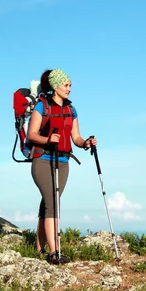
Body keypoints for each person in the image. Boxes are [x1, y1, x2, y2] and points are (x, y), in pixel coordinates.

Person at [27, 68, 96, 264]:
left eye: (70, 85)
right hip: (42, 159)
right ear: (56, 86)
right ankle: (54, 252)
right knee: (53, 204)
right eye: (66, 85)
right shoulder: (42, 106)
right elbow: (32, 134)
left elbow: (76, 137)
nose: (70, 89)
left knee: (49, 202)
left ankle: (39, 248)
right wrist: (48, 139)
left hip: (63, 162)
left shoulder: (71, 109)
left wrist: (86, 143)